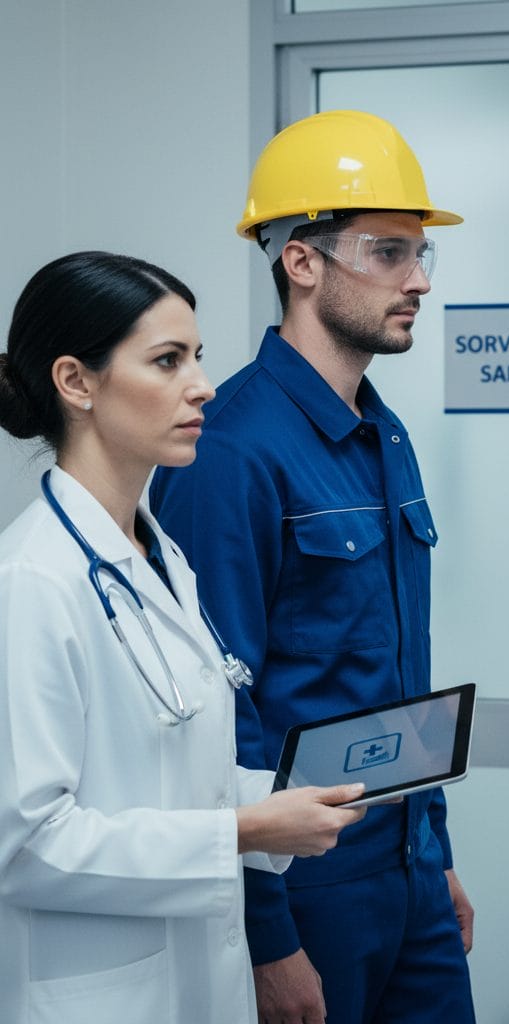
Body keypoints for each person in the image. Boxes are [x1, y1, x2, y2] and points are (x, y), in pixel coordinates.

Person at [150, 110, 475, 1024]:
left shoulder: (385, 432)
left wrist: (434, 852)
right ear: (302, 259)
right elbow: (220, 710)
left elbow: (397, 674)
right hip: (308, 891)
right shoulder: (230, 450)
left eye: (422, 255)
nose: (417, 280)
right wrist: (267, 938)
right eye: (388, 252)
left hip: (408, 865)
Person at [0, 251, 370, 1024]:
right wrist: (240, 831)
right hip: (97, 996)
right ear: (77, 383)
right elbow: (25, 845)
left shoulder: (159, 555)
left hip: (194, 978)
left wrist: (283, 798)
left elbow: (173, 774)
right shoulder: (31, 580)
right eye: (167, 361)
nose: (201, 384)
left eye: (197, 357)